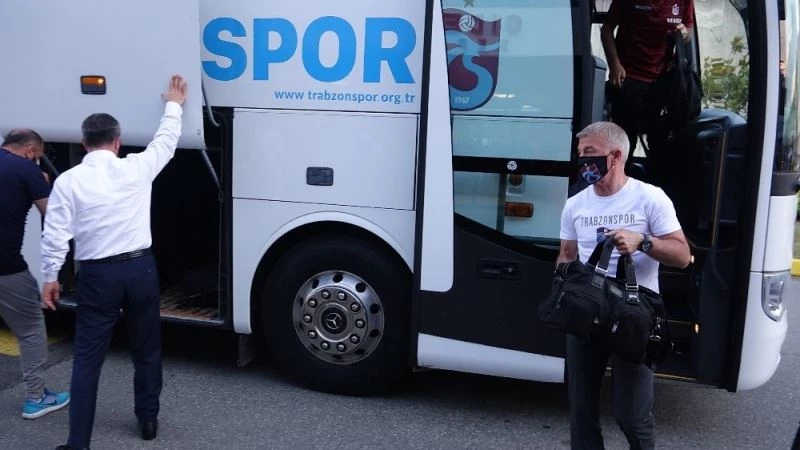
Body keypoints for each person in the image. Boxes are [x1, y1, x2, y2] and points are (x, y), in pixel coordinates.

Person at [41, 74, 188, 450]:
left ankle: (78, 444)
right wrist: (174, 104)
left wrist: (51, 277)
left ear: (84, 143)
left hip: (97, 276)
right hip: (141, 270)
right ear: (118, 141)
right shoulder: (136, 168)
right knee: (146, 348)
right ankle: (148, 419)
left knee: (87, 361)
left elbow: (55, 235)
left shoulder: (68, 181)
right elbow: (166, 142)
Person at [557, 122, 691, 449]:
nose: (582, 160)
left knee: (632, 415)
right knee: (581, 411)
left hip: (633, 317)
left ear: (615, 156)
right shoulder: (576, 204)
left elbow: (682, 256)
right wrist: (565, 288)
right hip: (587, 314)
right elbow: (567, 255)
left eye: (590, 152)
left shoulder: (650, 198)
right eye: (580, 153)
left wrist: (643, 241)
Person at [0, 129, 70, 419]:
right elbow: (52, 215)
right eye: (37, 157)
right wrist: (40, 185)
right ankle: (36, 397)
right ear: (29, 150)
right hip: (6, 266)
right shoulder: (26, 169)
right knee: (30, 330)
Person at [601, 0, 696, 157]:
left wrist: (684, 33)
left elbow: (689, 31)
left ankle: (656, 171)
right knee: (624, 143)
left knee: (660, 144)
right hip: (629, 78)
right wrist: (614, 64)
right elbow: (607, 28)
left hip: (662, 81)